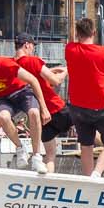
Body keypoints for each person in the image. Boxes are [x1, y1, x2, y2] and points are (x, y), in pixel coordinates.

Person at [61, 17, 104, 178]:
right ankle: (96, 173)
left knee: (86, 144)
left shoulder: (70, 49)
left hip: (77, 107)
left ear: (77, 33)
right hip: (100, 106)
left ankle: (88, 177)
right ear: (94, 33)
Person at [15, 34, 71, 171]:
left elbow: (32, 79)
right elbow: (56, 81)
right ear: (27, 45)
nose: (33, 49)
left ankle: (48, 180)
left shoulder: (13, 65)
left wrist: (51, 70)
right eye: (33, 46)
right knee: (87, 123)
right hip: (55, 107)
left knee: (50, 154)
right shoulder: (34, 61)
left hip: (40, 117)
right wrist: (66, 71)